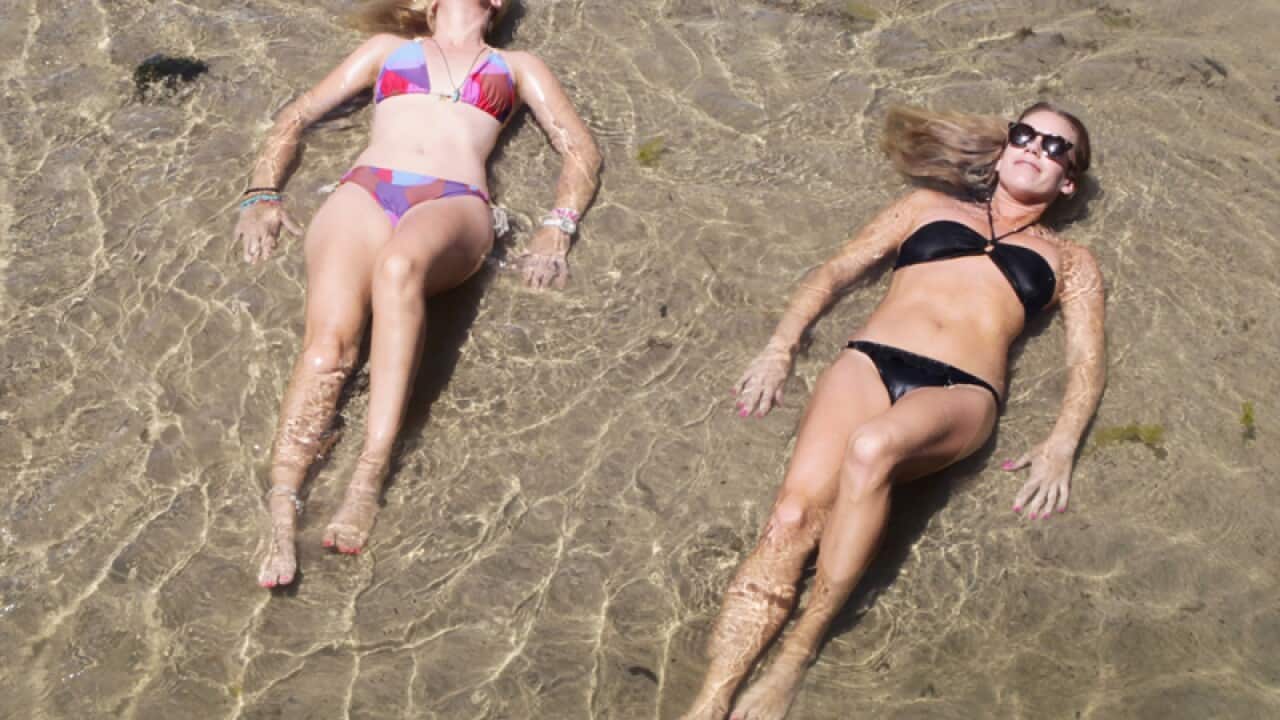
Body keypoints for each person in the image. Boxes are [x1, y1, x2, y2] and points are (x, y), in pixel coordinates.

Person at [681, 103, 1105, 720]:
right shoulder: (925, 206)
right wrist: (779, 348)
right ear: (1005, 145)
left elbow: (1086, 360)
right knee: (791, 519)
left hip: (962, 392)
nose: (1035, 148)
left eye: (1055, 146)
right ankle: (710, 699)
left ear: (1068, 181)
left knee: (872, 447)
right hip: (869, 362)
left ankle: (796, 654)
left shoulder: (1071, 261)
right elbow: (837, 271)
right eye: (1025, 134)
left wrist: (1061, 445)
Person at [235, 0, 601, 589]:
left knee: (399, 268)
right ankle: (282, 504)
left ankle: (367, 476)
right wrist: (261, 195)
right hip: (365, 188)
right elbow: (296, 115)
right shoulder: (388, 52)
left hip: (453, 201)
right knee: (327, 350)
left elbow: (580, 151)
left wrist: (556, 228)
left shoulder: (516, 66)